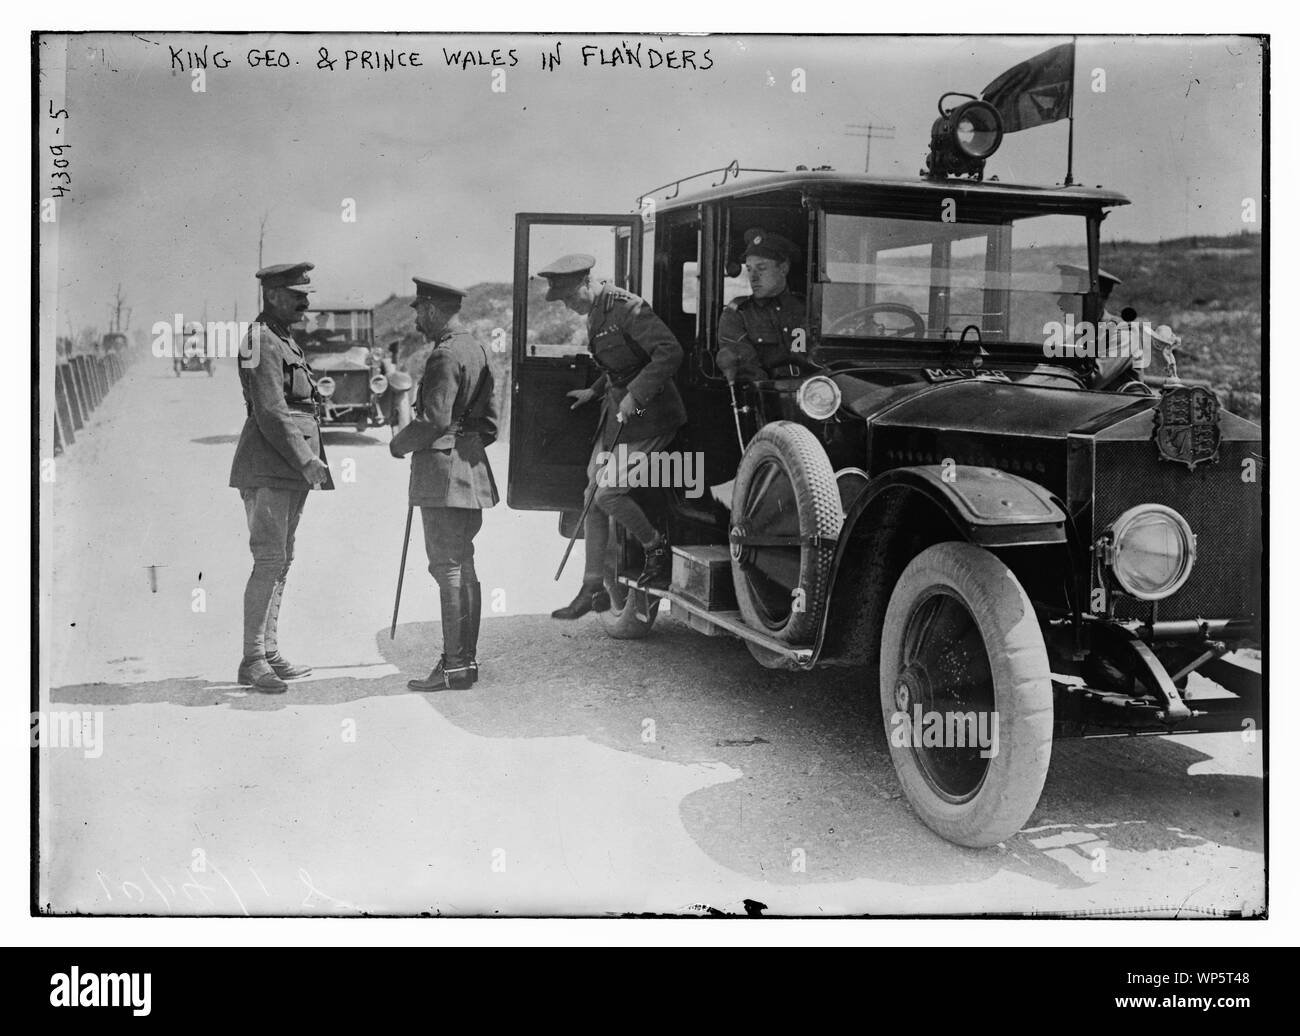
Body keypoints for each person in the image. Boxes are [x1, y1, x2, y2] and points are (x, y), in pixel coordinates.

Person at [537, 254, 686, 619]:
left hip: (652, 416)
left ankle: (656, 549)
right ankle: (592, 586)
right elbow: (621, 363)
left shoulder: (627, 308)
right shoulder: (596, 312)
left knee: (608, 493)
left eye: (572, 298)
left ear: (587, 283)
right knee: (591, 495)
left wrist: (636, 394)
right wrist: (595, 391)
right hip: (618, 414)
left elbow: (669, 352)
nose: (571, 307)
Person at [390, 278, 498, 691]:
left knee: (447, 567)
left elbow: (433, 421)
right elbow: (489, 423)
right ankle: (463, 662)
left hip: (442, 476)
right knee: (464, 563)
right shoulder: (477, 349)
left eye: (419, 312)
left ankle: (455, 665)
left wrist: (400, 445)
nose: (417, 321)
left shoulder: (444, 355)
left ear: (434, 310)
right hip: (471, 471)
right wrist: (463, 447)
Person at [229, 262, 333, 693]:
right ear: (273, 295)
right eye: (297, 294)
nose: (305, 302)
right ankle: (253, 659)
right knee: (269, 559)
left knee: (282, 560)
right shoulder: (259, 341)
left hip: (287, 468)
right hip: (270, 465)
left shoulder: (283, 338)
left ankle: (268, 652)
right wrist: (306, 458)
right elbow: (271, 410)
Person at [716, 228, 809, 383]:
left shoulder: (807, 309)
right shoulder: (738, 314)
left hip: (819, 394)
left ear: (783, 268)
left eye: (761, 268)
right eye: (749, 269)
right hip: (769, 397)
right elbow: (749, 372)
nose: (753, 277)